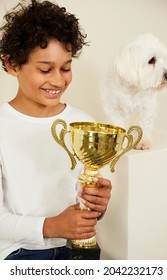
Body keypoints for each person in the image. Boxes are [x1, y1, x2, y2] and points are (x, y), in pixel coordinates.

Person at [0, 0, 112, 260]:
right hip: (20, 254)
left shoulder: (83, 123)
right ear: (12, 64)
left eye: (66, 67)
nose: (58, 80)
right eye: (44, 69)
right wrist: (51, 226)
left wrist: (97, 204)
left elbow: (80, 204)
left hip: (78, 249)